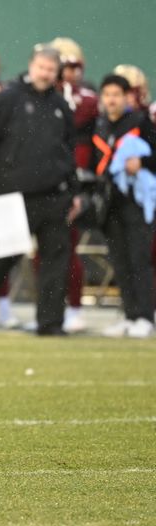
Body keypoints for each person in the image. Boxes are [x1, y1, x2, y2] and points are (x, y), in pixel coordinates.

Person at [0, 46, 79, 336]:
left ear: (57, 73)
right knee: (2, 258)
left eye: (51, 69)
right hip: (12, 194)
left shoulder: (60, 106)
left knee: (55, 260)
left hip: (54, 195)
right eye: (41, 67)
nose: (45, 73)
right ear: (31, 65)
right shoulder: (8, 98)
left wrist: (74, 191)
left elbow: (68, 151)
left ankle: (50, 323)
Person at [92, 75, 156, 338]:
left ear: (128, 97)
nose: (111, 100)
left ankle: (145, 316)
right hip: (111, 203)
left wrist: (143, 163)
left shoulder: (140, 123)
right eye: (107, 94)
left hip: (136, 203)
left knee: (139, 259)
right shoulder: (101, 125)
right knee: (119, 261)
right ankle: (129, 315)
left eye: (116, 94)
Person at [49, 37, 99, 333]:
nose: (67, 73)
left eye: (73, 66)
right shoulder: (40, 97)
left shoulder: (86, 99)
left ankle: (76, 307)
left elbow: (80, 118)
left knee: (69, 248)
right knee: (46, 252)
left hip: (76, 182)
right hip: (46, 182)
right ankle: (51, 308)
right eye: (62, 66)